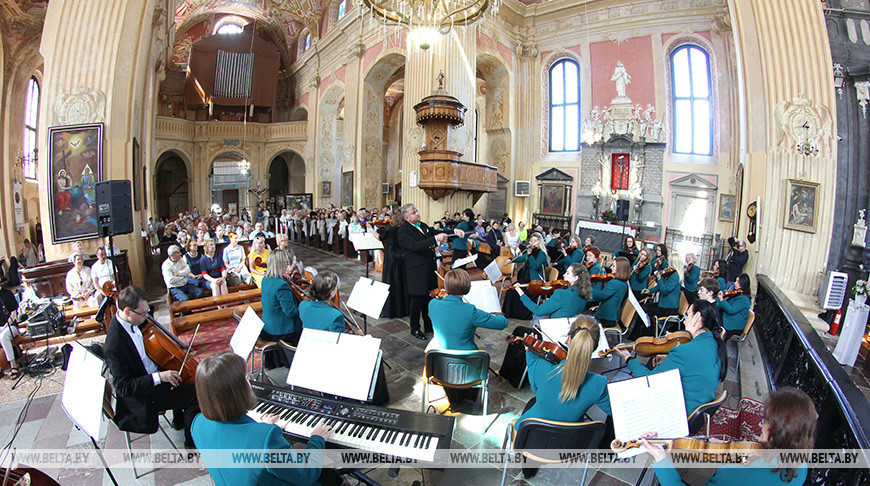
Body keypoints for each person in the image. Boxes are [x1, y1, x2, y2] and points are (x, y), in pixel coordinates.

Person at [191, 351, 337, 485]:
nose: (250, 381)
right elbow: (305, 474)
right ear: (238, 392)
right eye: (247, 378)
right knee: (331, 477)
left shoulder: (198, 423)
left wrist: (261, 429)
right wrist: (317, 438)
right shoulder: (264, 437)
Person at [644, 387, 815, 486]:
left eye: (765, 420)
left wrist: (661, 459)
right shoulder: (801, 465)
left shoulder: (731, 474)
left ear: (779, 431)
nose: (759, 424)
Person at [104, 286, 200, 448]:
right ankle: (191, 445)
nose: (146, 316)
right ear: (127, 312)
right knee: (195, 393)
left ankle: (179, 421)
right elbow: (123, 388)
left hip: (151, 373)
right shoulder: (115, 344)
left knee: (182, 374)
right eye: (142, 313)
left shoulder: (134, 320)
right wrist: (160, 377)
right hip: (144, 395)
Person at [615, 299, 726, 416]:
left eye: (687, 315)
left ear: (697, 317)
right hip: (698, 408)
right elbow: (695, 368)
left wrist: (628, 358)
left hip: (680, 412)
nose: (684, 320)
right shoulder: (716, 343)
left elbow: (648, 379)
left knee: (618, 406)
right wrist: (669, 360)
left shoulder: (684, 351)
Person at [397, 204, 449, 340]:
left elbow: (434, 233)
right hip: (416, 271)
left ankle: (429, 325)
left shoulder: (423, 225)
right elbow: (415, 246)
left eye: (417, 211)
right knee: (417, 301)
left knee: (430, 298)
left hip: (428, 269)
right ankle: (415, 328)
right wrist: (435, 240)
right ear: (407, 217)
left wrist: (450, 234)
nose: (418, 213)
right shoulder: (403, 231)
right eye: (414, 212)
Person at [427, 269, 507, 351]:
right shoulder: (471, 311)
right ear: (468, 287)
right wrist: (493, 315)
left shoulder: (432, 304)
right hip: (465, 358)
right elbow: (502, 323)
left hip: (438, 355)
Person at [260, 250, 304, 357]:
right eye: (285, 262)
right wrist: (304, 307)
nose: (287, 265)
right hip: (280, 331)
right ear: (279, 264)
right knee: (307, 327)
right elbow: (291, 313)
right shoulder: (281, 286)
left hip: (267, 327)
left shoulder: (265, 279)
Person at [502, 232, 550, 320]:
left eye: (535, 241)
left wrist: (530, 254)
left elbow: (535, 266)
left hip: (535, 282)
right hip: (525, 280)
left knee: (517, 293)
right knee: (511, 290)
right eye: (531, 241)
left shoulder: (542, 254)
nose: (532, 243)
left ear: (540, 242)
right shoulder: (531, 253)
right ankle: (509, 314)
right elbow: (521, 258)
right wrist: (511, 260)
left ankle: (521, 315)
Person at [518, 263, 592, 319]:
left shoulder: (561, 293)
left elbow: (538, 311)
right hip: (570, 330)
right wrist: (551, 301)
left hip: (554, 331)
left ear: (575, 278)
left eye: (567, 273)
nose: (563, 275)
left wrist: (521, 294)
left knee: (519, 330)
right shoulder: (585, 293)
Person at [377, 210, 408, 319]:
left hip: (391, 257)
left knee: (390, 281)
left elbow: (380, 237)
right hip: (402, 256)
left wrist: (371, 229)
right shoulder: (404, 229)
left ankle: (390, 310)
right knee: (401, 281)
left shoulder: (390, 228)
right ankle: (404, 309)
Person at [638, 264, 682, 338]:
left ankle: (652, 334)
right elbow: (659, 287)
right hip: (663, 304)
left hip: (669, 308)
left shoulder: (675, 276)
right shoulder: (670, 274)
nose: (668, 265)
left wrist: (659, 279)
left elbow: (664, 290)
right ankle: (645, 333)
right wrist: (649, 290)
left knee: (649, 311)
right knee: (644, 307)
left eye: (670, 263)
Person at [590, 257, 630, 328]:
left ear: (620, 269)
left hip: (606, 318)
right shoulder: (624, 283)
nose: (611, 268)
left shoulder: (614, 283)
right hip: (613, 317)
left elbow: (599, 297)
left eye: (614, 266)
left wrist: (589, 288)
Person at [719, 273, 752, 341]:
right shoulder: (738, 294)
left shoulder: (744, 299)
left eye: (738, 282)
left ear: (743, 284)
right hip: (730, 318)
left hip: (733, 326)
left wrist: (721, 300)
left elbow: (731, 310)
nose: (735, 283)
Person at [0, 282, 21, 379]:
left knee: (3, 336)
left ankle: (13, 365)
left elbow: (13, 313)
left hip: (10, 326)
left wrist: (4, 327)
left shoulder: (7, 293)